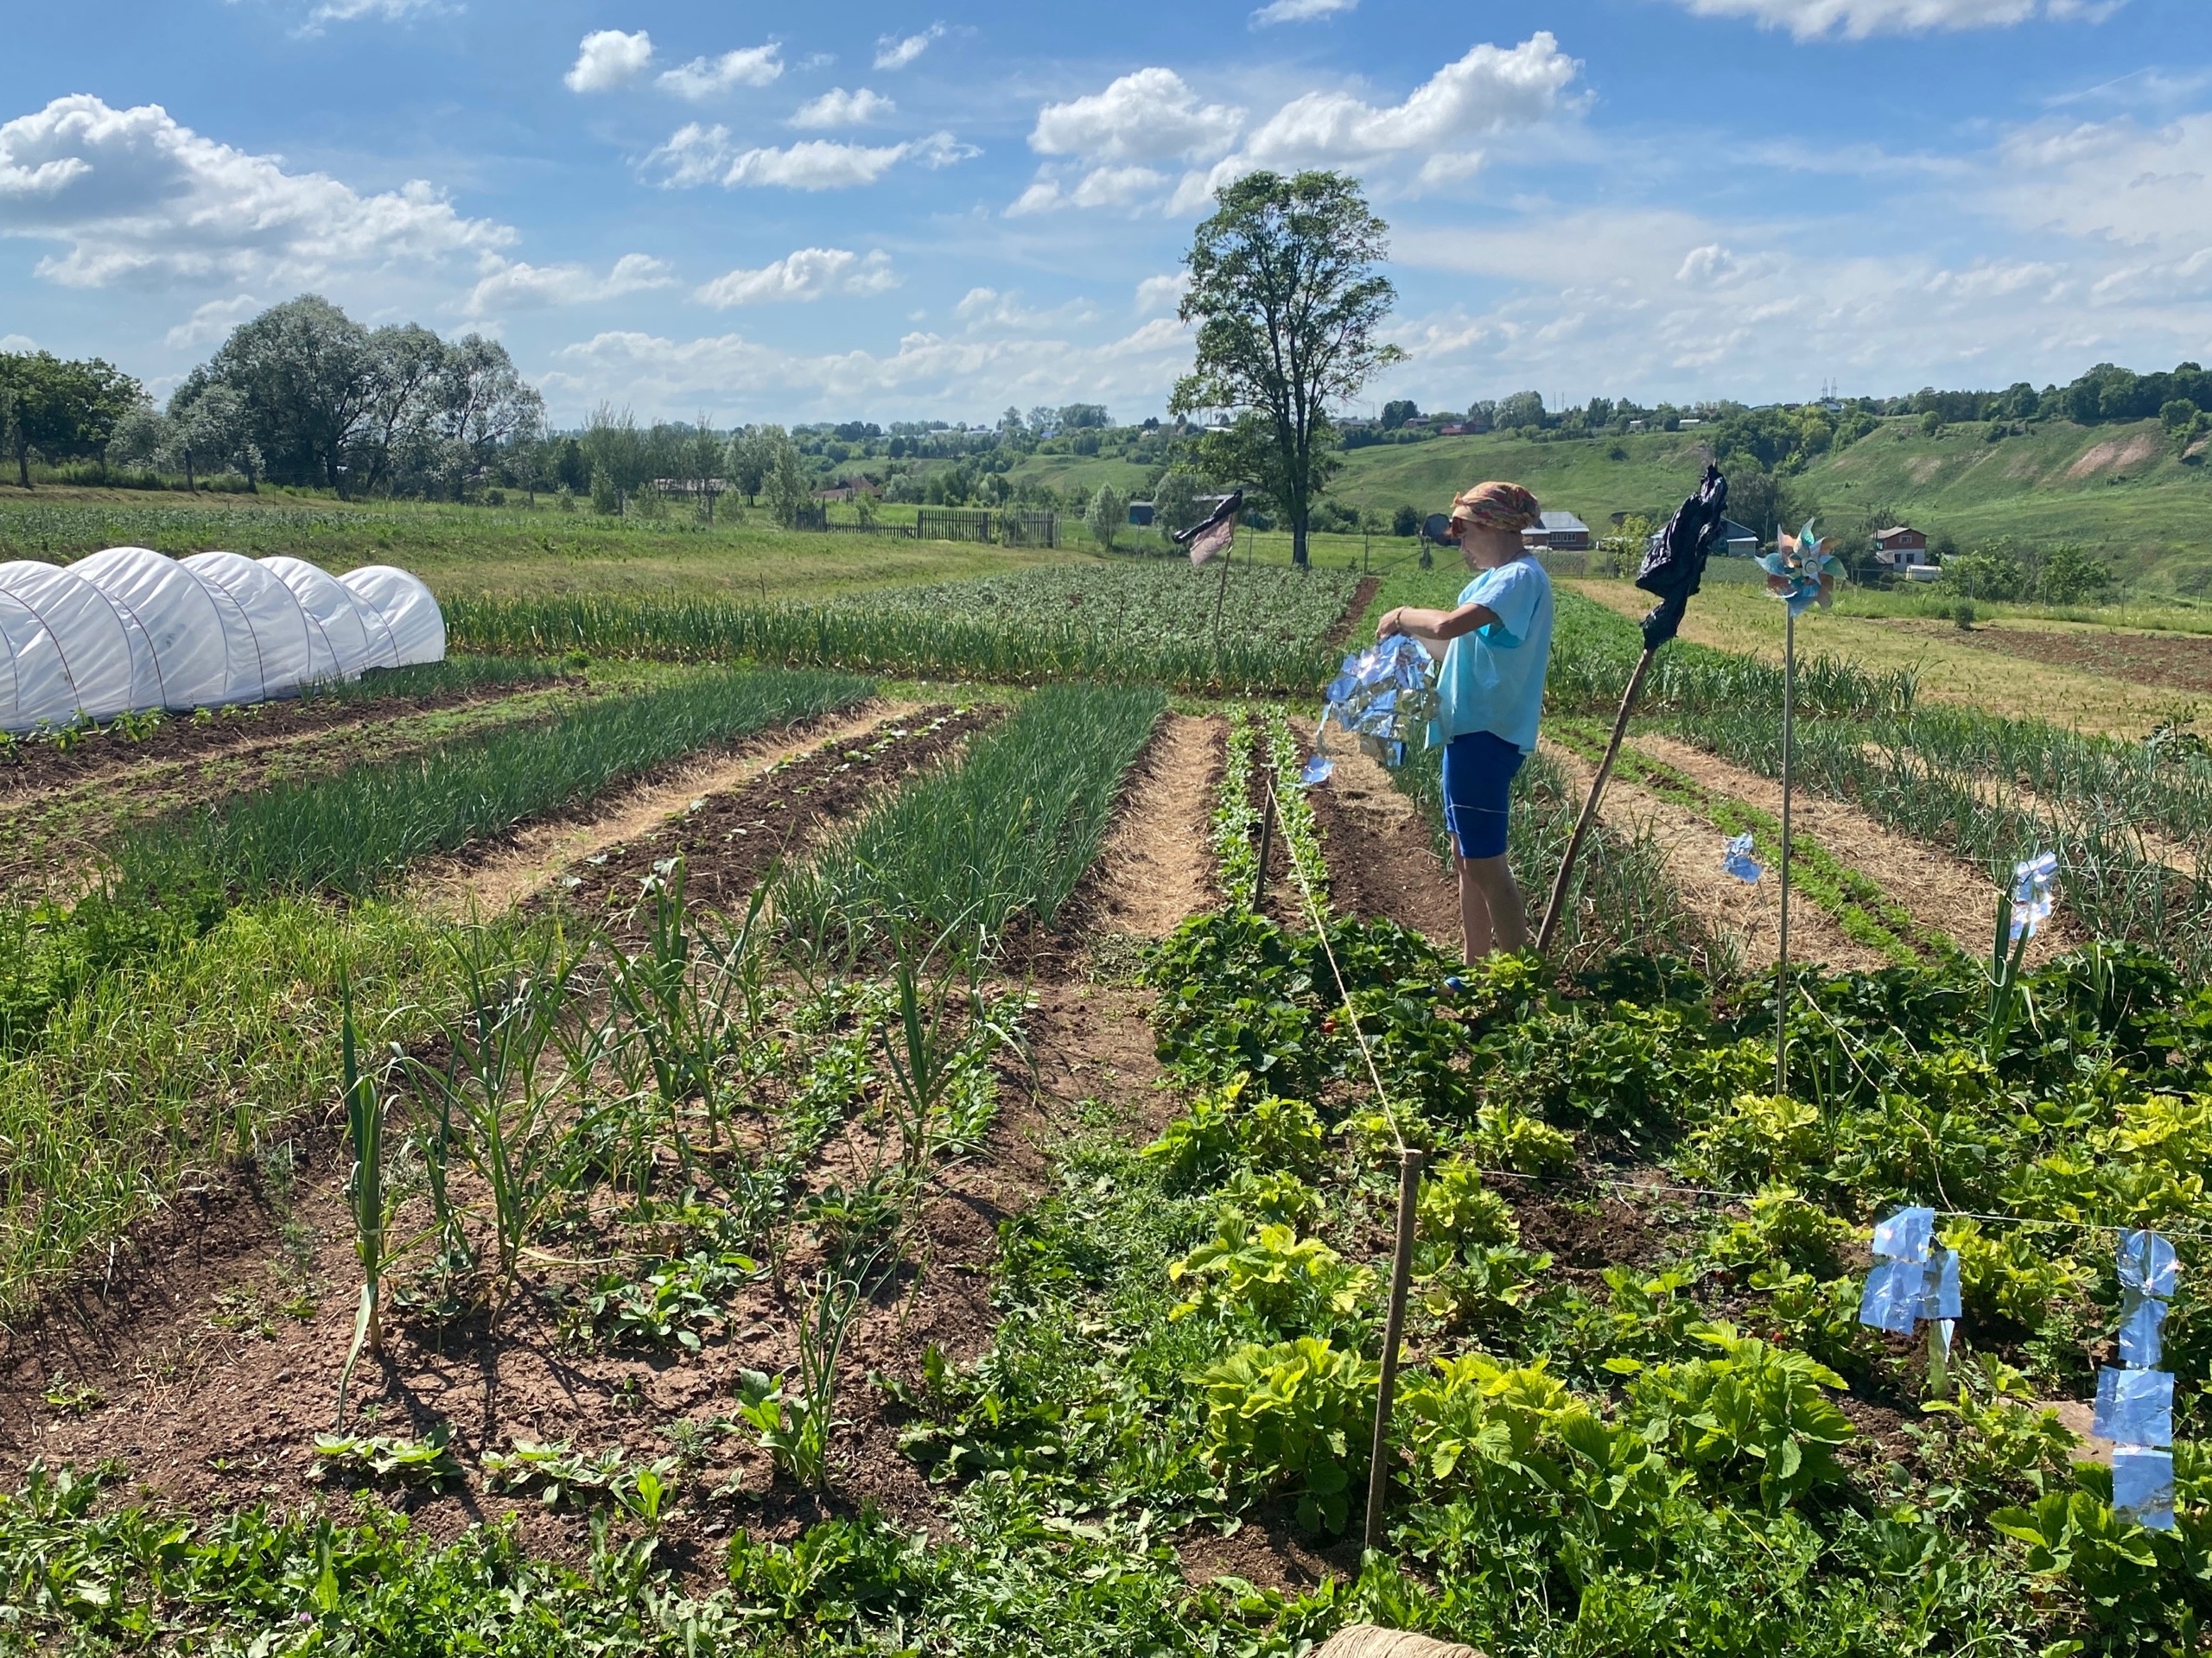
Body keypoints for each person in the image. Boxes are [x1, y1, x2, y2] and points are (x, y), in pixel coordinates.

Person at [1375, 481, 1553, 962]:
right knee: (1465, 858)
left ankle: (1521, 979)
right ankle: (1474, 965)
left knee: (1486, 865)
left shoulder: (1519, 578)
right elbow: (1453, 647)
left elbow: (1447, 625)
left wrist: (1400, 615)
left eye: (1463, 529)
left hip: (1487, 734)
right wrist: (1404, 653)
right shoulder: (1492, 581)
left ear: (1491, 526)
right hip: (1467, 731)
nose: (1460, 541)